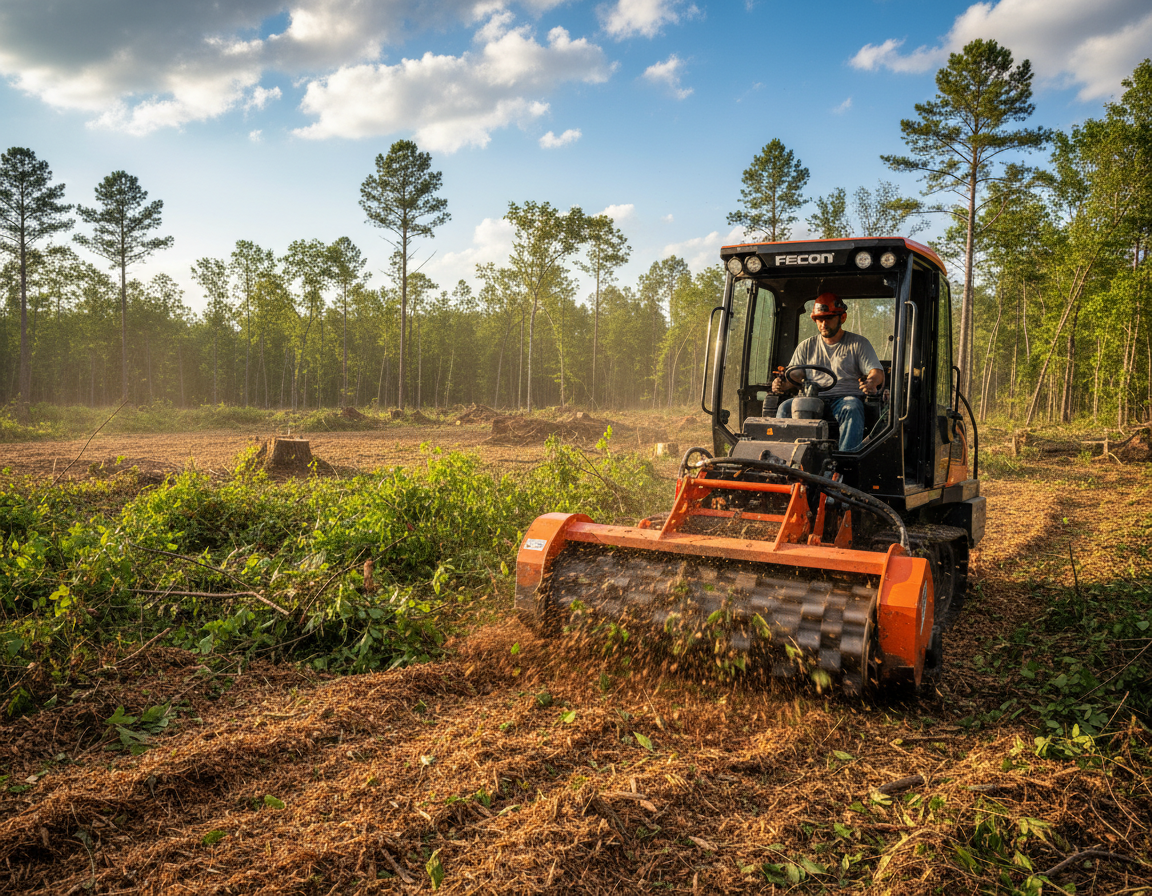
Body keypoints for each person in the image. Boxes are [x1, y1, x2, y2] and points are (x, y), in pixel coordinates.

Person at [772, 293, 884, 451]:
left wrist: (871, 382)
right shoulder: (806, 346)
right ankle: (784, 458)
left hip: (844, 399)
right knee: (785, 407)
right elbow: (795, 374)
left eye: (828, 318)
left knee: (852, 407)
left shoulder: (858, 344)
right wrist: (782, 384)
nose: (823, 323)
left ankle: (846, 462)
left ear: (842, 318)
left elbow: (876, 372)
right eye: (819, 319)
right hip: (812, 399)